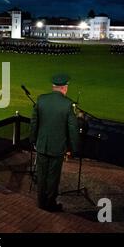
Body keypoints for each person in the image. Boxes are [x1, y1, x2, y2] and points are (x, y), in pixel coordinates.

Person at [30, 73, 79, 212]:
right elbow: (73, 129)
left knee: (41, 174)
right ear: (65, 88)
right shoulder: (68, 104)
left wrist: (33, 140)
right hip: (57, 147)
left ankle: (41, 202)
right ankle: (50, 204)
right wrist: (73, 148)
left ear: (53, 86)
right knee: (53, 177)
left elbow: (34, 123)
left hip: (41, 145)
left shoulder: (41, 99)